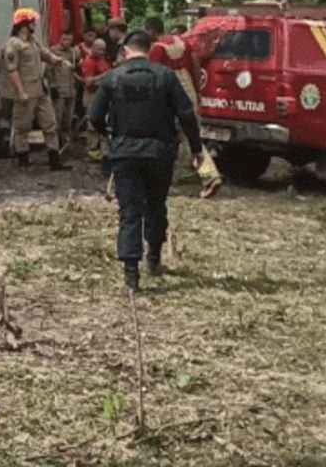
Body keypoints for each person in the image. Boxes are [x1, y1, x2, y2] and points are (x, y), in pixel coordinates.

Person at [88, 31, 204, 294]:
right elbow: (186, 113)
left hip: (125, 153)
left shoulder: (113, 77)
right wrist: (196, 149)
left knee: (129, 213)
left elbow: (94, 117)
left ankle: (131, 276)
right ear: (149, 50)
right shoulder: (165, 76)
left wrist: (111, 135)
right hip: (159, 153)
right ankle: (154, 256)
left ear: (126, 50)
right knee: (156, 204)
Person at [145, 17, 224, 198]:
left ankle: (206, 176)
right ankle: (202, 175)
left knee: (164, 137)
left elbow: (155, 75)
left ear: (151, 31)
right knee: (191, 137)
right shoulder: (184, 43)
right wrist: (197, 91)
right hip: (188, 91)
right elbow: (195, 66)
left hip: (169, 95)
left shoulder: (157, 49)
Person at [2, 9, 71, 170]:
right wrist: (20, 92)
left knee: (50, 123)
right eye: (32, 22)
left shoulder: (33, 42)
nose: (34, 25)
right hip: (26, 91)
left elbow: (46, 55)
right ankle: (23, 159)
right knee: (22, 126)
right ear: (23, 25)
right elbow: (12, 70)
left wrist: (61, 61)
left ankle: (54, 159)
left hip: (40, 90)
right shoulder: (13, 44)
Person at [48, 31, 80, 150]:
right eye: (64, 39)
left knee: (68, 117)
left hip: (71, 89)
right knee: (58, 117)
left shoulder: (73, 52)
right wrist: (52, 85)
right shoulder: (53, 52)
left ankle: (66, 143)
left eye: (69, 40)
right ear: (60, 39)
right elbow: (49, 70)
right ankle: (55, 144)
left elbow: (76, 68)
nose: (66, 42)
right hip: (59, 89)